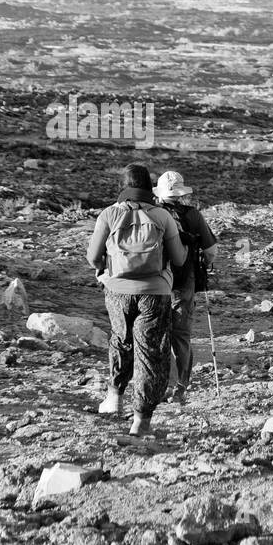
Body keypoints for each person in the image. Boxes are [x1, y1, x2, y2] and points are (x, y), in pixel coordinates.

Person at [86, 164, 187, 436]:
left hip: (117, 291)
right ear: (148, 186)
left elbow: (92, 257)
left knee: (121, 339)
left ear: (124, 185)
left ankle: (114, 398)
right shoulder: (162, 216)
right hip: (155, 292)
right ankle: (140, 422)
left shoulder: (109, 214)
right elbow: (178, 259)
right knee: (150, 352)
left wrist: (102, 270)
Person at [153, 170, 218, 405]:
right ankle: (179, 387)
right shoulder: (192, 215)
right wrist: (202, 265)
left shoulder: (150, 212)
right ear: (181, 193)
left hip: (154, 280)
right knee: (180, 334)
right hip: (183, 279)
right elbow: (210, 251)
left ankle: (158, 385)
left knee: (155, 332)